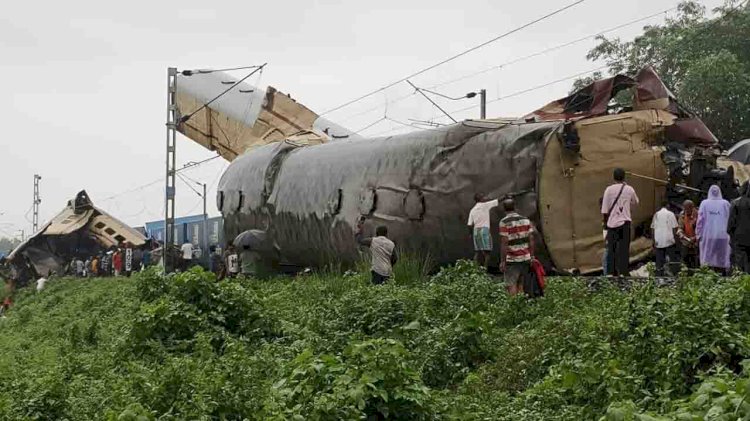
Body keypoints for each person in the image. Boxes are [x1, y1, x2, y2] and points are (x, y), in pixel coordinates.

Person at [601, 168, 639, 276]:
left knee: (611, 249)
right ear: (624, 177)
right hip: (625, 223)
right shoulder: (629, 189)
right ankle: (623, 272)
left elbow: (604, 210)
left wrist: (605, 226)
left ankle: (611, 273)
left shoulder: (608, 190)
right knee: (624, 249)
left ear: (613, 177)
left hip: (612, 224)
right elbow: (636, 202)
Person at [499, 198, 535, 296]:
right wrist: (532, 256)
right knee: (521, 283)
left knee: (511, 284)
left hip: (512, 259)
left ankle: (514, 307)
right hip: (525, 258)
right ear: (515, 207)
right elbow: (531, 239)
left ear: (504, 209)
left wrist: (503, 261)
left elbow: (504, 242)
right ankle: (521, 305)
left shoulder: (504, 222)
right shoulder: (525, 220)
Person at [697, 184, 732, 274]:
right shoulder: (726, 203)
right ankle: (723, 275)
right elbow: (730, 218)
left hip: (708, 235)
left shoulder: (704, 203)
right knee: (722, 256)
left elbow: (700, 221)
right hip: (723, 235)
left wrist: (698, 234)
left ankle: (709, 276)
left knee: (708, 256)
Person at [355, 219, 398, 285]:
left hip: (377, 270)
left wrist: (359, 229)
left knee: (377, 290)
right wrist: (390, 266)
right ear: (386, 233)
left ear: (376, 233)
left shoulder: (373, 241)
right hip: (387, 271)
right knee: (386, 290)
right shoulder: (391, 243)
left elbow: (360, 241)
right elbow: (395, 258)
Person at [467, 193, 498, 270]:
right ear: (481, 199)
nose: (485, 198)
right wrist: (506, 196)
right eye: (483, 197)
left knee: (477, 251)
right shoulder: (485, 205)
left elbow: (469, 224)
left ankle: (474, 269)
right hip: (484, 230)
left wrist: (470, 234)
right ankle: (485, 269)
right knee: (487, 252)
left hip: (476, 231)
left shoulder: (473, 210)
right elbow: (497, 200)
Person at [651, 200, 679, 276]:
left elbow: (653, 229)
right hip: (669, 241)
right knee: (672, 261)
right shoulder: (671, 214)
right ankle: (673, 276)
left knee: (659, 262)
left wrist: (653, 242)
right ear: (667, 206)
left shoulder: (656, 215)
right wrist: (677, 242)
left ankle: (659, 276)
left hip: (658, 242)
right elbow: (674, 229)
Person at [728, 182, 750, 273]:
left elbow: (731, 223)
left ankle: (740, 282)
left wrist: (731, 235)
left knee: (739, 262)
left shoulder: (736, 202)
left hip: (739, 237)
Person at [677, 200, 699, 270]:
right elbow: (680, 227)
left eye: (687, 209)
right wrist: (680, 232)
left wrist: (695, 238)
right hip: (686, 242)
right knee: (684, 261)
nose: (686, 210)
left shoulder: (698, 214)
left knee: (696, 262)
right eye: (684, 208)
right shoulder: (682, 214)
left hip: (696, 243)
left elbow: (702, 229)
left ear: (692, 207)